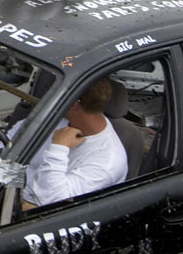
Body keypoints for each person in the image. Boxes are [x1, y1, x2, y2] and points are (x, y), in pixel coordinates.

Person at [19, 78, 128, 208]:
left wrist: (59, 148)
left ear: (73, 105)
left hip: (37, 210)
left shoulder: (108, 163)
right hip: (11, 190)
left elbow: (54, 202)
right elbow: (13, 141)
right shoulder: (57, 118)